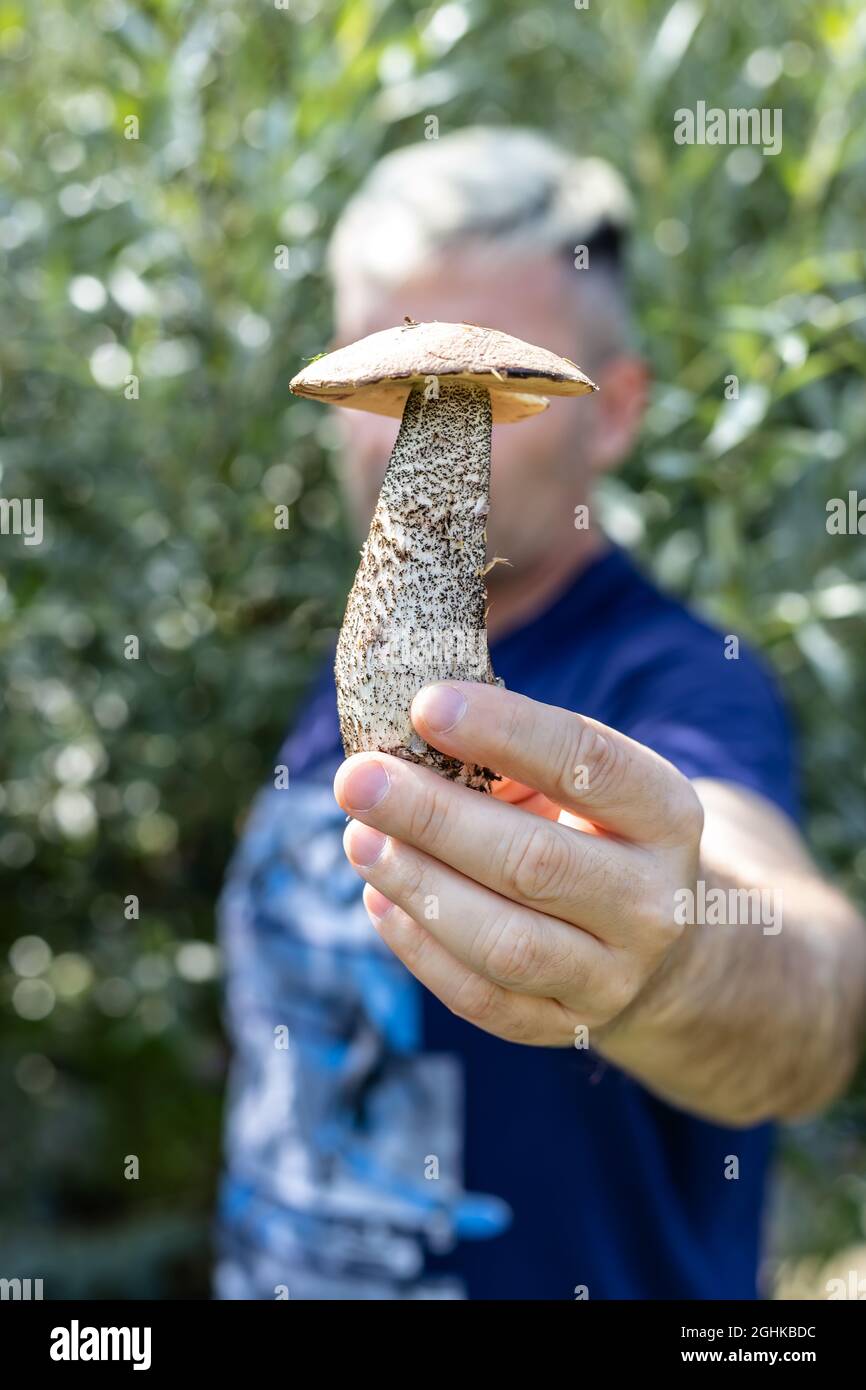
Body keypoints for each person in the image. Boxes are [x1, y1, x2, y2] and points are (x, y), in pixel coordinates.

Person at [214, 128, 866, 1300]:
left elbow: (806, 991)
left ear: (611, 412)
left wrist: (676, 961)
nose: (395, 428)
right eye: (384, 377)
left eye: (470, 395)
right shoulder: (370, 658)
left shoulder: (677, 680)